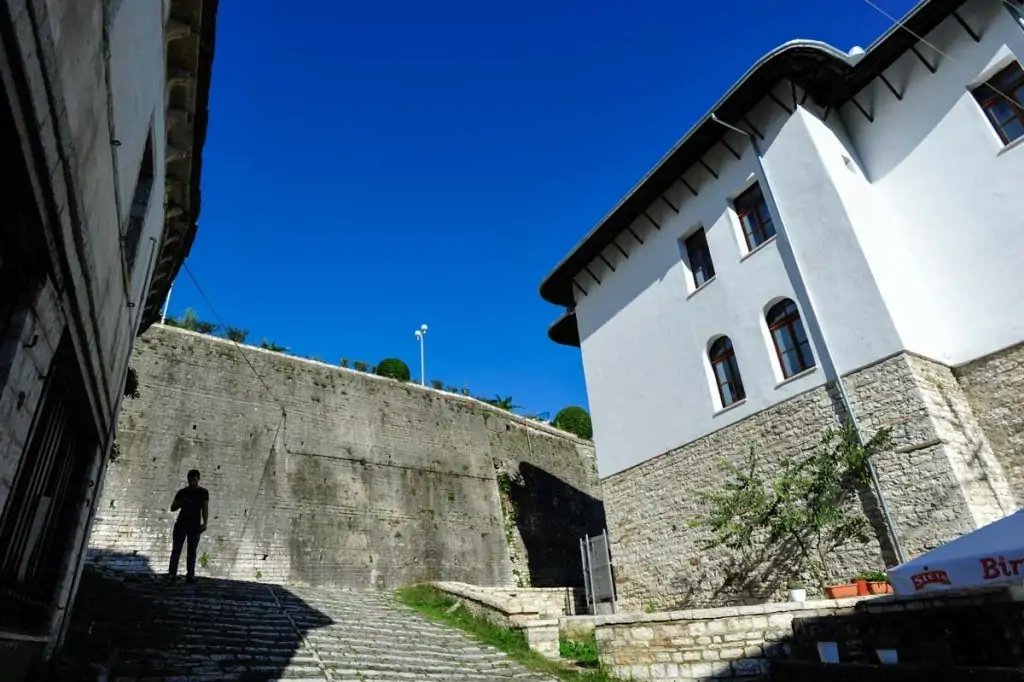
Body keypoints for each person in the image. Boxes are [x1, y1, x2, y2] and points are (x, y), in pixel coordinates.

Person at [168, 468, 209, 583]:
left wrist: (205, 523)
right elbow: (172, 508)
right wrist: (182, 502)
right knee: (176, 549)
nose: (192, 483)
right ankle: (172, 574)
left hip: (195, 526)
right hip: (181, 524)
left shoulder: (203, 493)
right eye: (190, 480)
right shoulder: (182, 492)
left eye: (194, 480)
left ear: (198, 479)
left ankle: (190, 575)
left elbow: (205, 508)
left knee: (192, 551)